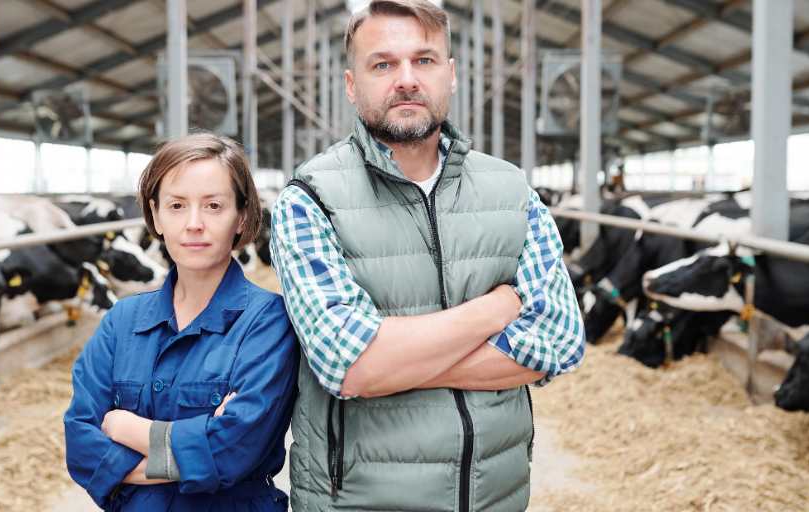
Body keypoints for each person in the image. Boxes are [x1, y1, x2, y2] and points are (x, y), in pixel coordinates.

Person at [269, 1, 586, 511]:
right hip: (358, 501)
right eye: (383, 64)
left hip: (494, 495)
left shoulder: (512, 190)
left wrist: (393, 365)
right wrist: (495, 309)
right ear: (352, 85)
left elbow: (559, 343)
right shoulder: (310, 199)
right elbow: (348, 365)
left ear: (451, 75)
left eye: (424, 60)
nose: (406, 80)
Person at [64, 133, 298, 511]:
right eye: (176, 206)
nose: (193, 224)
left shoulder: (268, 322)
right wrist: (195, 448)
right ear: (155, 215)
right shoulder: (121, 321)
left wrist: (126, 428)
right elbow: (80, 448)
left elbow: (232, 452)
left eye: (213, 206)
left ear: (241, 216)